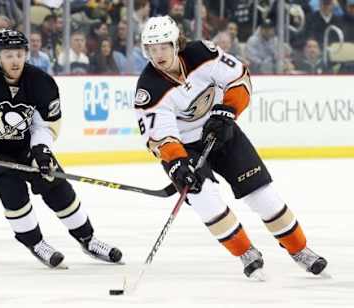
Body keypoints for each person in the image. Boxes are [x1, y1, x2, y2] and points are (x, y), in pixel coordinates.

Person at [134, 16, 327, 279]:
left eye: (163, 46)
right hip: (184, 146)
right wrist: (177, 162)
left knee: (263, 195)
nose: (158, 55)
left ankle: (300, 250)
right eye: (152, 49)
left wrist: (227, 111)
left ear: (175, 43)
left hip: (221, 130)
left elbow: (239, 78)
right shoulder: (149, 88)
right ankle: (246, 252)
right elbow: (161, 138)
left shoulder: (202, 53)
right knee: (206, 200)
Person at [0, 29, 123, 269]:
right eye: (8, 55)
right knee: (11, 185)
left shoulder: (42, 83)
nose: (14, 60)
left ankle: (88, 239)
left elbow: (46, 124)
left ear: (26, 54)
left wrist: (41, 150)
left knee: (54, 181)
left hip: (22, 146)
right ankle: (35, 243)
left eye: (18, 54)